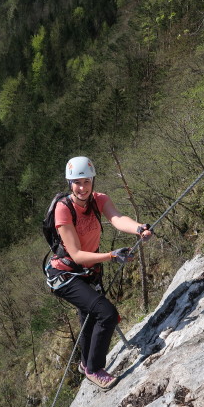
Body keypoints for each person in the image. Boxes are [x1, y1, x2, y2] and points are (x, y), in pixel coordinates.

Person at [46, 156, 152, 390]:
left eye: (86, 182)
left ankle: (86, 364)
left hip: (88, 271)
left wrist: (138, 228)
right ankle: (94, 369)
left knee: (90, 316)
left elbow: (117, 218)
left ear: (93, 181)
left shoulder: (99, 200)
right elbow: (76, 255)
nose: (82, 188)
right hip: (65, 275)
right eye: (76, 183)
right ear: (69, 183)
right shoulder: (63, 210)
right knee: (107, 313)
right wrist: (111, 256)